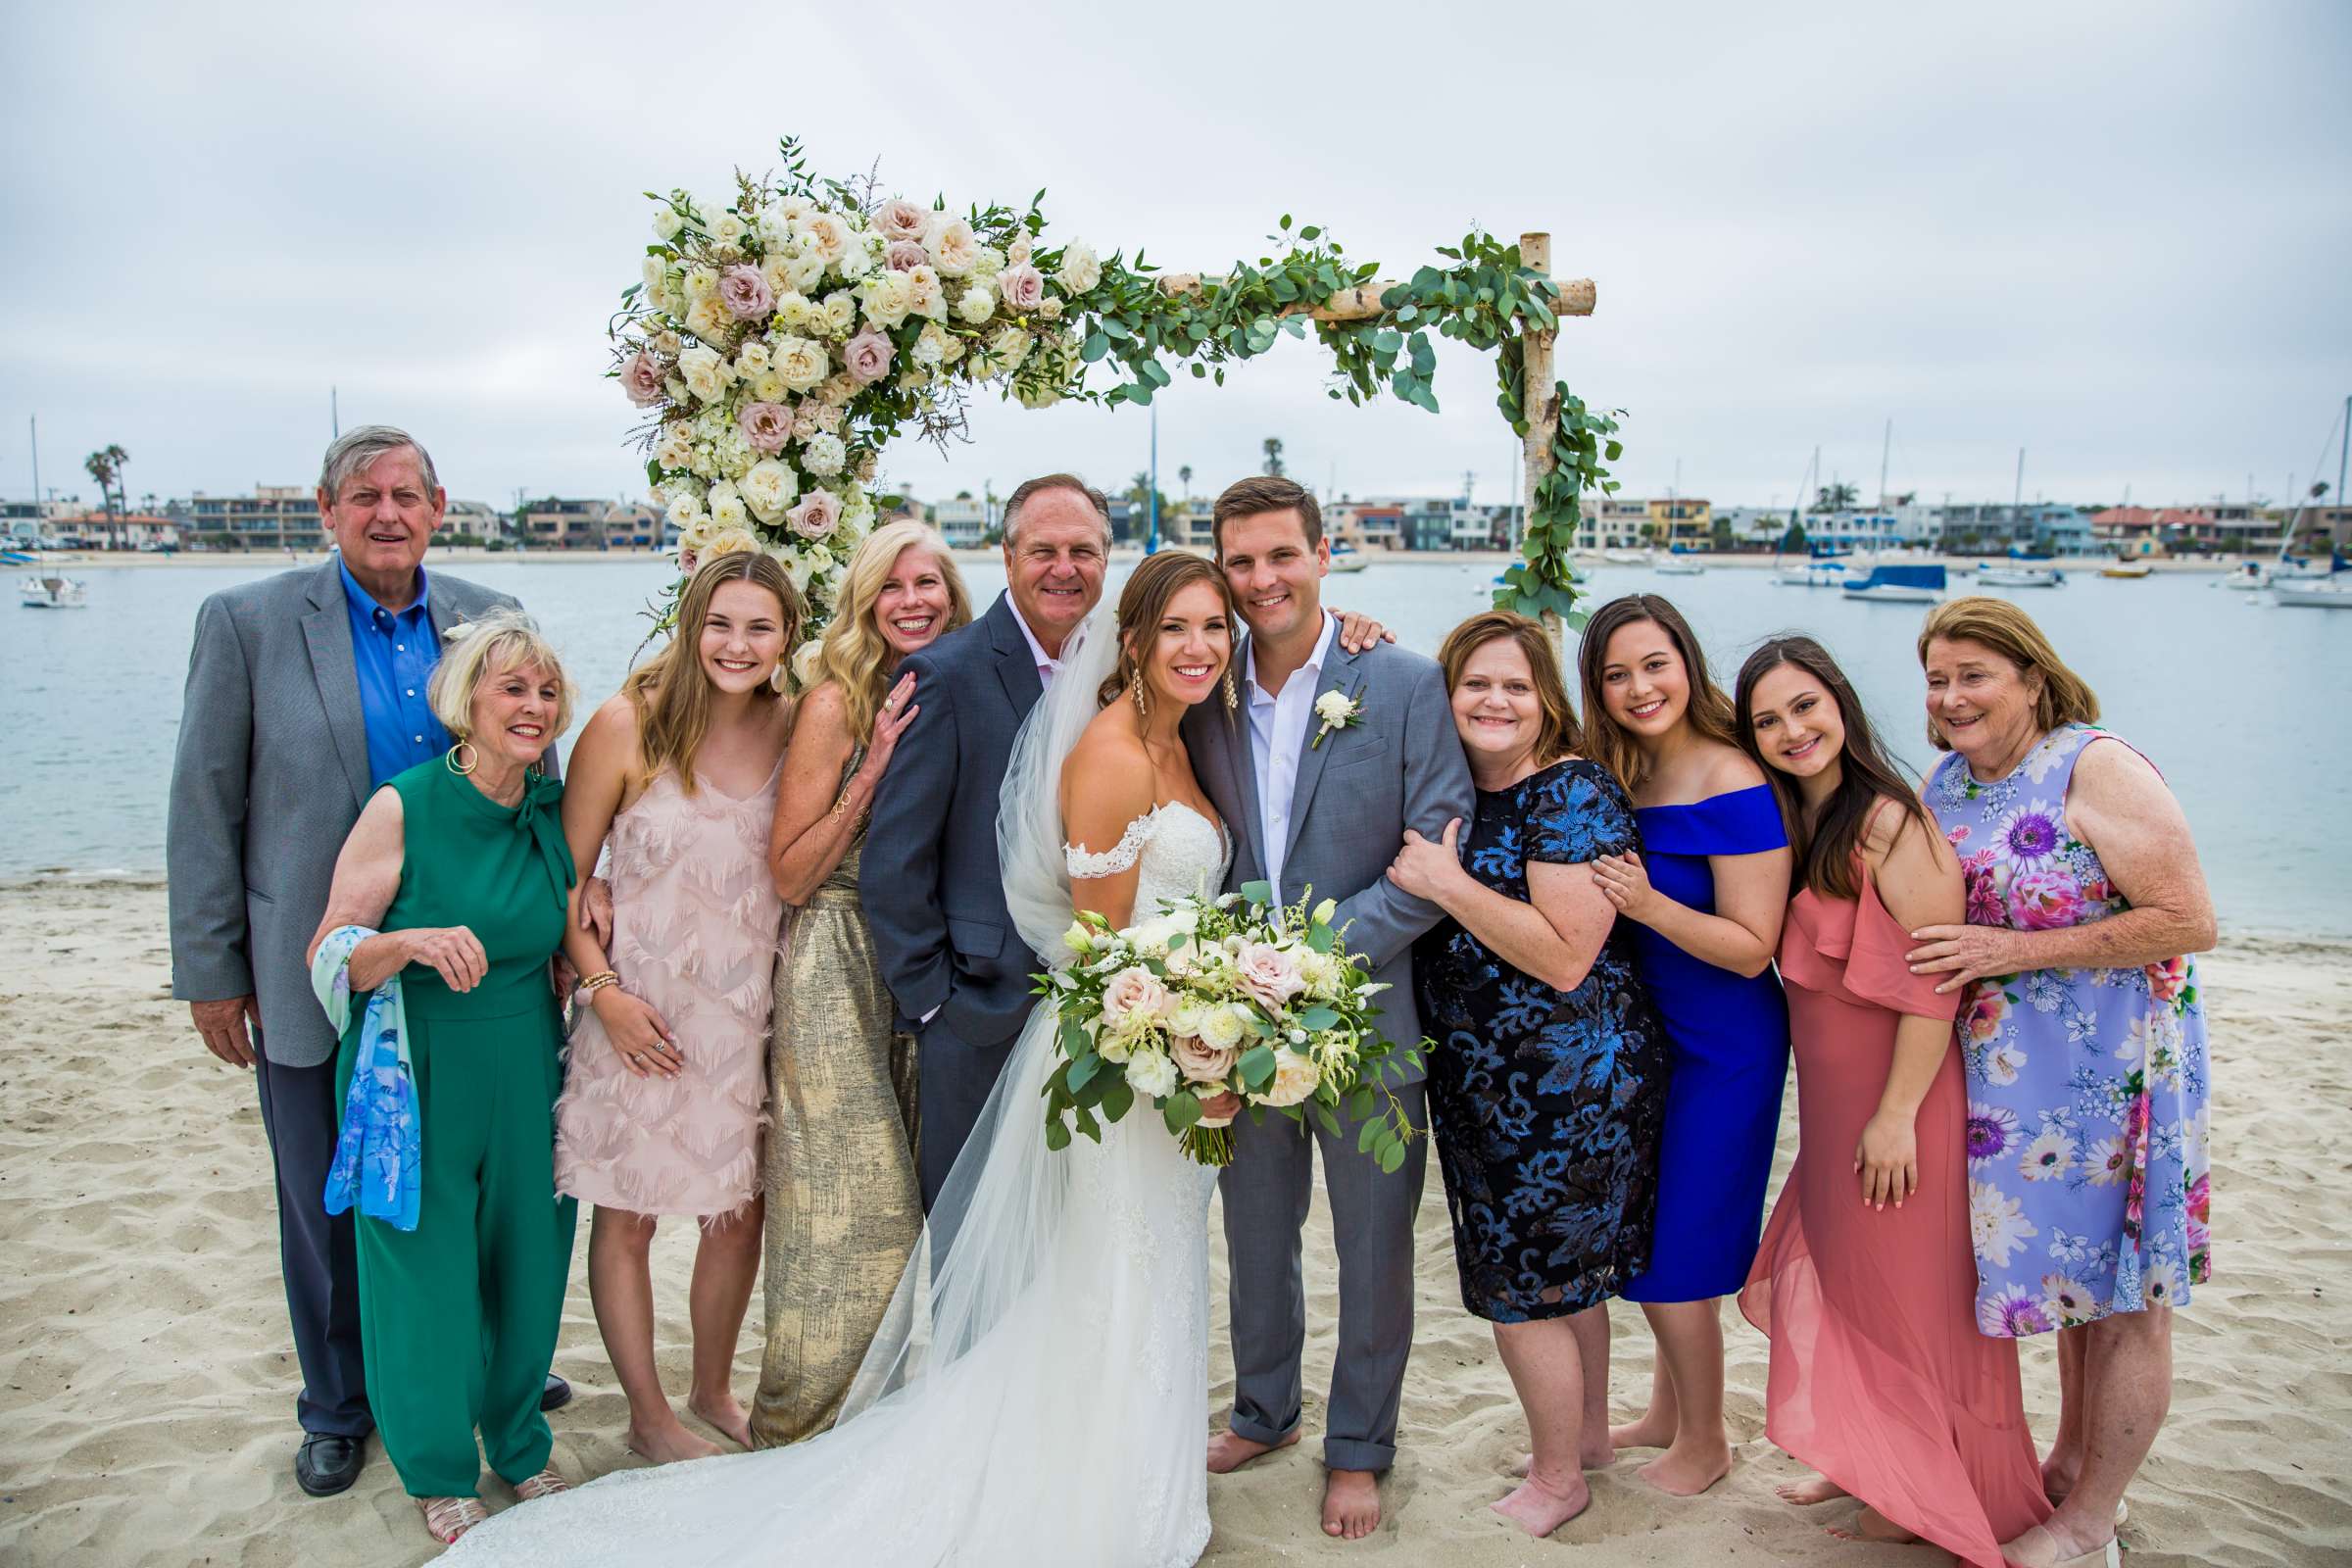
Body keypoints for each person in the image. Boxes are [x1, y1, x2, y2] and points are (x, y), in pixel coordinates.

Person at [443, 553, 1250, 1567]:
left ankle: (1127, 1464)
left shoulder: (811, 710)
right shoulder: (1108, 748)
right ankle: (660, 1409)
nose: (1198, 647)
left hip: (1134, 1043)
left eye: (1213, 629)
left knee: (1116, 1262)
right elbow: (572, 857)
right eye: (1174, 627)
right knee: (643, 1205)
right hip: (693, 993)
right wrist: (598, 970)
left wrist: (1226, 1016)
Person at [166, 424, 566, 1500]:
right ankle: (339, 1405)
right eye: (364, 496)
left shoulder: (488, 616)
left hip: (479, 975)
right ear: (327, 509)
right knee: (328, 1194)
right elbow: (205, 799)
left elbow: (542, 783)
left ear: (438, 505)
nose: (387, 513)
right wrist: (210, 965)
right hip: (331, 966)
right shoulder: (247, 621)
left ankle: (478, 1378)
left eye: (406, 494)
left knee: (472, 1204)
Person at [1181, 475, 1475, 1541]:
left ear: (1322, 554)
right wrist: (1232, 978)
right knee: (1255, 1238)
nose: (1262, 580)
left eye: (1280, 556)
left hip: (1371, 1018)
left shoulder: (1399, 680)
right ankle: (1264, 1409)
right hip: (1233, 1025)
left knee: (1374, 1248)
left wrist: (1312, 958)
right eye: (1241, 562)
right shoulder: (1199, 685)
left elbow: (1439, 842)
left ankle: (1361, 1446)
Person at [1731, 635, 2051, 1566]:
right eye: (1768, 720)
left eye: (1805, 706)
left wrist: (1895, 1116)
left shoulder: (1889, 821)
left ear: (1840, 703)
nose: (1792, 731)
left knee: (1914, 1299)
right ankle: (1869, 1453)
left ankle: (1926, 1487)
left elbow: (1935, 982)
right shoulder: (1798, 817)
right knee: (1852, 1279)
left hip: (1898, 1102)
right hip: (1833, 1103)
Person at [1908, 598, 2214, 1568]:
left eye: (1974, 674)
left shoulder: (2094, 764)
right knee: (2072, 1292)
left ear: (2032, 677)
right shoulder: (1948, 782)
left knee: (2128, 1299)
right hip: (2017, 1092)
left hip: (2121, 1074)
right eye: (1937, 677)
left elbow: (2187, 916)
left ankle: (2092, 1522)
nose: (1951, 696)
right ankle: (2069, 1463)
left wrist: (2015, 945)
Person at [1385, 611, 1670, 1538]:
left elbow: (1564, 958)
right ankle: (1583, 1439)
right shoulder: (1461, 791)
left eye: (1515, 685)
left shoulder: (1570, 794)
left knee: (1523, 1286)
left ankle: (1558, 1479)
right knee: (1560, 1279)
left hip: (1567, 1086)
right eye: (1475, 684)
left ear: (1546, 698)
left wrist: (1449, 883)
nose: (1494, 701)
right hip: (1486, 1082)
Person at [304, 611, 579, 1544]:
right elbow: (331, 951)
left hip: (528, 1063)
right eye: (514, 689)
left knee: (529, 1260)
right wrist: (407, 943)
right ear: (467, 702)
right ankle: (434, 1465)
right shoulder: (405, 804)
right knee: (423, 1271)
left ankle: (518, 1442)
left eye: (546, 692)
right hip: (414, 1071)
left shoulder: (549, 808)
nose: (533, 707)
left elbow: (573, 918)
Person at [553, 552, 799, 1462]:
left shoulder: (796, 725)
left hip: (746, 1017)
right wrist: (603, 993)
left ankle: (710, 1389)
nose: (737, 645)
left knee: (738, 1212)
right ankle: (649, 1418)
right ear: (692, 623)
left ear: (787, 639)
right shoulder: (625, 725)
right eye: (721, 623)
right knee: (627, 1214)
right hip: (638, 1015)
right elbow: (565, 885)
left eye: (760, 627)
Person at [754, 521, 970, 1446]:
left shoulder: (965, 687)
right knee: (852, 1213)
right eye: (893, 586)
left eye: (930, 583)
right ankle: (806, 1427)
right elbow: (791, 876)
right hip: (838, 961)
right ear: (865, 602)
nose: (913, 601)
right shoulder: (835, 702)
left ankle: (900, 1419)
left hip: (933, 963)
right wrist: (872, 767)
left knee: (932, 1211)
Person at [1575, 593, 1790, 1496]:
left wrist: (1648, 904)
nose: (1639, 687)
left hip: (1727, 1047)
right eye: (1616, 674)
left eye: (1654, 664)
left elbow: (1753, 948)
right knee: (1659, 1227)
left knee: (1676, 1255)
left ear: (1687, 664)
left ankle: (1706, 1442)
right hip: (1652, 1042)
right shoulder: (1619, 771)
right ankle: (1665, 1415)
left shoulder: (1732, 776)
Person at [861, 474, 1111, 1209]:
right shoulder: (945, 674)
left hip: (1110, 1016)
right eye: (1043, 550)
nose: (1063, 567)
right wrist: (936, 1005)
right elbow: (894, 863)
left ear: (1106, 558)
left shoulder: (1130, 667)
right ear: (1007, 560)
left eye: (1083, 550)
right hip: (980, 1012)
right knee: (974, 1252)